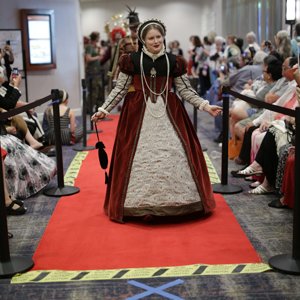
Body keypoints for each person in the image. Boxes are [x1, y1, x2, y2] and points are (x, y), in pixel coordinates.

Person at [91, 19, 222, 223]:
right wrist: (103, 109)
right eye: (151, 38)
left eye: (158, 37)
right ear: (143, 40)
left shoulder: (174, 61)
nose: (155, 41)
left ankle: (180, 203)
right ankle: (136, 205)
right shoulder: (131, 60)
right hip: (137, 113)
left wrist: (205, 106)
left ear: (163, 37)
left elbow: (185, 90)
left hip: (169, 112)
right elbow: (120, 89)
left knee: (174, 151)